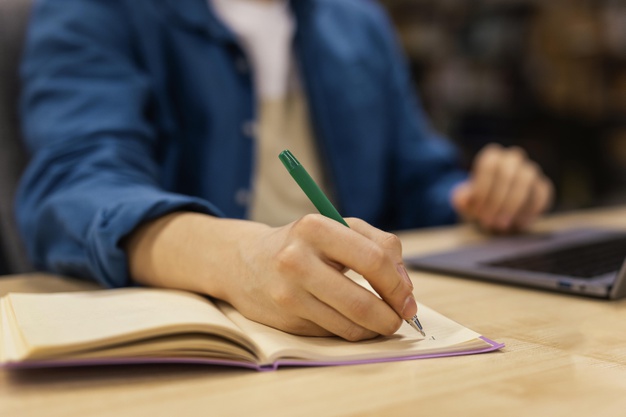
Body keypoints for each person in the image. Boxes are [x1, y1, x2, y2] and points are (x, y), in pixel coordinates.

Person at [16, 0, 553, 341]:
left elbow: (417, 180)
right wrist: (237, 256)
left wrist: (475, 196)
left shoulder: (358, 20)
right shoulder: (96, 10)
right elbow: (73, 187)